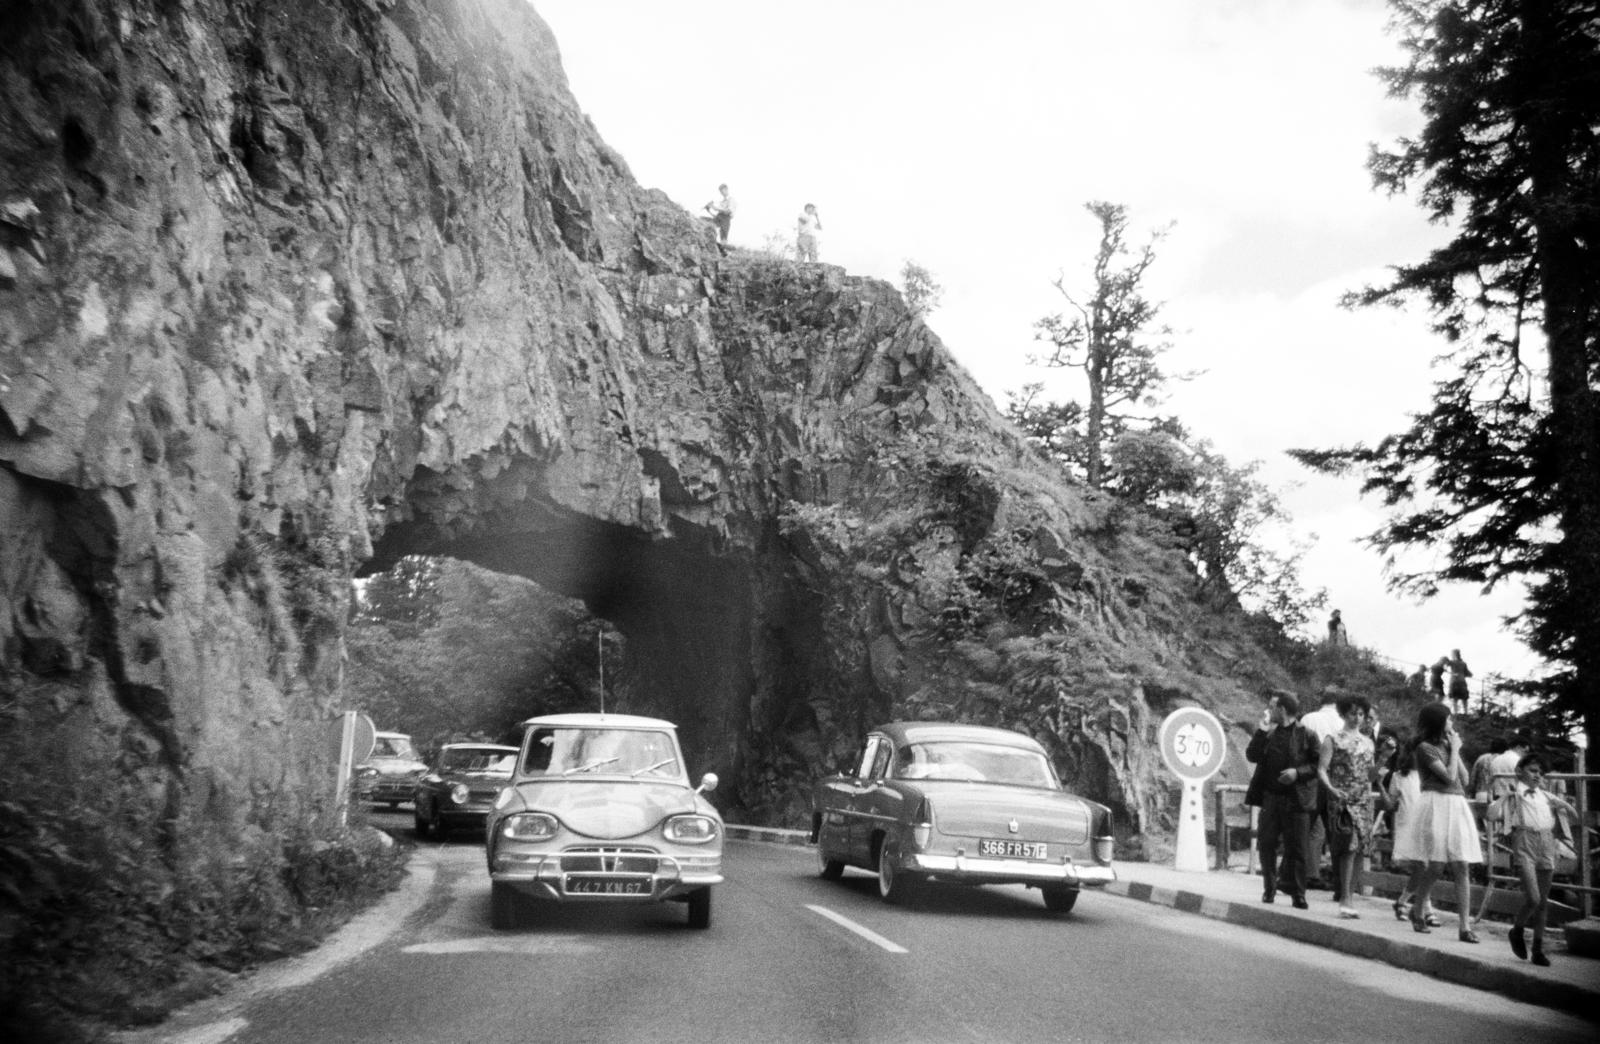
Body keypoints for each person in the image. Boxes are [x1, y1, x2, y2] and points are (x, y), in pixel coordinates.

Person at [1485, 753, 1578, 966]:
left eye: (1540, 773)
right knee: (1533, 898)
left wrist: (1564, 807)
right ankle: (1517, 930)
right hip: (1525, 841)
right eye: (1533, 771)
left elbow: (1572, 815)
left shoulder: (1545, 795)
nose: (1537, 776)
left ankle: (1538, 948)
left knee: (1543, 902)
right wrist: (1503, 798)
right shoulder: (1514, 794)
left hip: (1546, 842)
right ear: (1520, 771)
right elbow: (1491, 816)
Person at [1402, 701, 1484, 943]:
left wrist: (1454, 750)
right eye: (1448, 719)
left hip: (1456, 804)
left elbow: (1465, 779)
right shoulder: (1425, 748)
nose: (1452, 723)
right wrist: (1456, 751)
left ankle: (1464, 926)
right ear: (1438, 722)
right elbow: (1448, 778)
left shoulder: (1448, 745)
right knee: (1436, 864)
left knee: (1461, 864)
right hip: (1436, 803)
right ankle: (1418, 910)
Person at [1244, 690, 1322, 909]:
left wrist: (1297, 773)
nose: (1268, 711)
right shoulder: (1268, 733)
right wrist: (1261, 729)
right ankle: (1269, 889)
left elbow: (1319, 765)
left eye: (1272, 707)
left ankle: (1298, 893)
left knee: (1297, 848)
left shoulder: (1308, 735)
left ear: (1283, 709)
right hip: (1271, 797)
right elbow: (1252, 755)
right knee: (1267, 843)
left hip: (1297, 799)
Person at [1317, 696, 1376, 918]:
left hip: (1363, 799)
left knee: (1362, 848)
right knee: (1348, 846)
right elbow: (1322, 769)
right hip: (1342, 798)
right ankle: (1344, 898)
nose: (1357, 718)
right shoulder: (1333, 739)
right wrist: (1331, 789)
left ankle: (1350, 894)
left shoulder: (1368, 742)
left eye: (1361, 714)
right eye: (1353, 713)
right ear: (1343, 714)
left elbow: (1369, 774)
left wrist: (1381, 765)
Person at [1468, 737, 1507, 802]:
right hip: (1496, 795)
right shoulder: (1503, 760)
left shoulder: (1481, 758)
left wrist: (1471, 793)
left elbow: (1472, 779)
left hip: (1480, 794)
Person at [1445, 648, 1473, 713]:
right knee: (1462, 698)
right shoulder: (1462, 663)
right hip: (1460, 681)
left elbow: (1445, 667)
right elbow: (1469, 674)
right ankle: (1464, 713)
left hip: (1455, 682)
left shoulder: (1453, 662)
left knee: (1457, 698)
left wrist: (1452, 673)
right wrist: (1462, 674)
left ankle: (1458, 713)